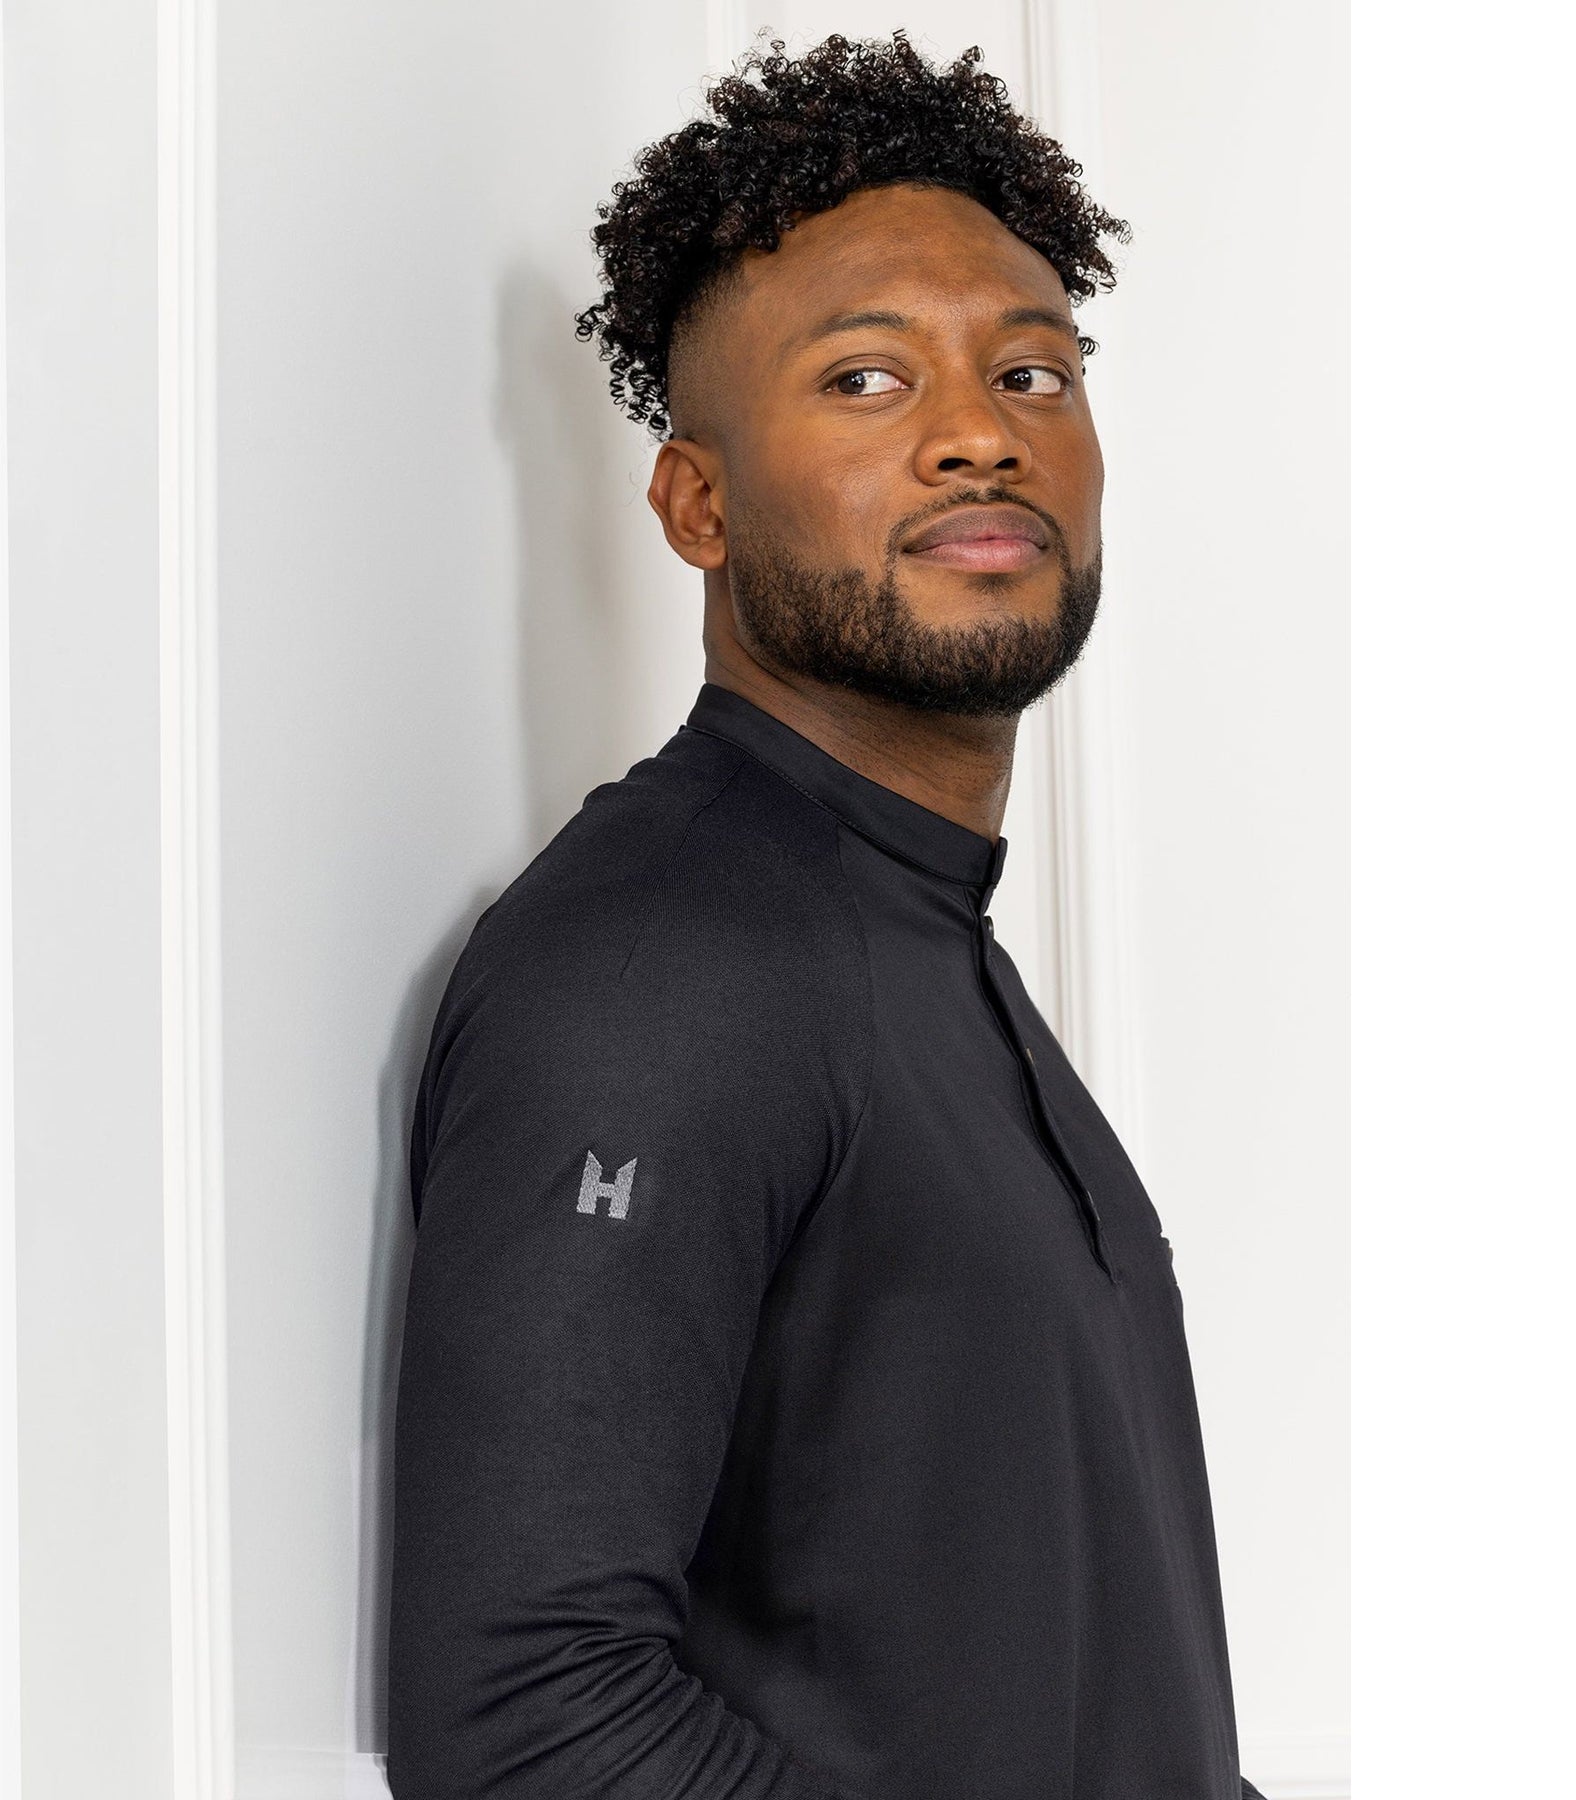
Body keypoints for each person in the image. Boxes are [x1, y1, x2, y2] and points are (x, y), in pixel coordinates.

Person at [386, 31, 1269, 1800]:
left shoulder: (921, 941)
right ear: (697, 504)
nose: (979, 436)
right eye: (865, 379)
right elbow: (528, 1723)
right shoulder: (663, 962)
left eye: (1032, 371)